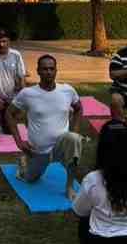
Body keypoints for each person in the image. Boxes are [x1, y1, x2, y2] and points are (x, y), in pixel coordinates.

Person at [7, 54, 83, 201]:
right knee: (29, 179)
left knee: (74, 140)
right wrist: (19, 141)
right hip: (38, 150)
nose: (48, 72)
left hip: (61, 146)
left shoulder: (67, 90)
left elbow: (79, 108)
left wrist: (74, 132)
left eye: (51, 69)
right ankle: (23, 163)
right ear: (38, 71)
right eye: (44, 69)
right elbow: (9, 113)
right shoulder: (28, 93)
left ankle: (69, 187)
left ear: (56, 71)